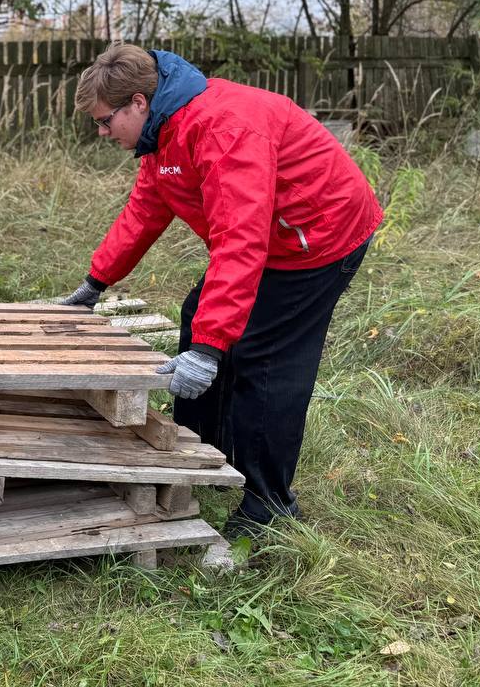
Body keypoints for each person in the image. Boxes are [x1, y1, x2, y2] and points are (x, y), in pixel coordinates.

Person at [60, 44, 381, 538]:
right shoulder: (165, 131)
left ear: (138, 103)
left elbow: (240, 238)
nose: (103, 132)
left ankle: (268, 508)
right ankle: (201, 454)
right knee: (199, 315)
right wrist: (95, 283)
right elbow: (145, 210)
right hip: (270, 237)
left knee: (263, 359)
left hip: (316, 237)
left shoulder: (222, 129)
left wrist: (209, 349)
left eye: (105, 121)